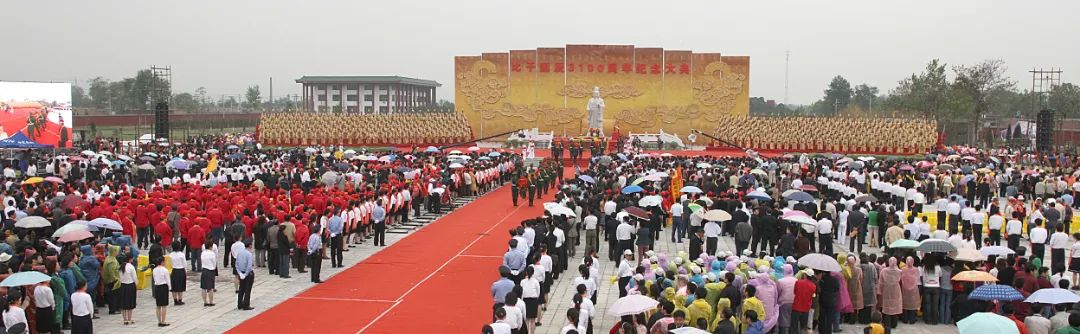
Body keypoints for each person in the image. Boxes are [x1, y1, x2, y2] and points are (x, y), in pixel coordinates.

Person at [235, 240, 256, 311]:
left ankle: (239, 304)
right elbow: (249, 266)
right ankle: (246, 305)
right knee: (247, 289)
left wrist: (240, 273)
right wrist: (245, 274)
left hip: (241, 272)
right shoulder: (249, 254)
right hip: (248, 274)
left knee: (241, 289)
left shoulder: (240, 253)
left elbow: (236, 264)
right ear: (249, 245)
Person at [152, 256, 171, 327]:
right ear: (162, 262)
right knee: (164, 305)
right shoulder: (165, 270)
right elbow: (168, 280)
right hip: (163, 287)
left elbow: (154, 278)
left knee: (158, 305)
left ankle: (159, 321)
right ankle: (163, 321)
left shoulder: (154, 270)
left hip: (157, 287)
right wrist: (170, 288)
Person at [119, 254, 138, 325]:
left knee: (123, 303)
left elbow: (120, 278)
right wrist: (136, 285)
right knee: (130, 302)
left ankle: (125, 320)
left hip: (123, 286)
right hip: (130, 286)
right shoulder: (131, 267)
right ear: (130, 259)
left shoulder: (121, 267)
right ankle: (129, 319)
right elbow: (134, 278)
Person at [200, 239, 218, 307]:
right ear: (211, 246)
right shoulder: (212, 253)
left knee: (203, 287)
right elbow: (214, 263)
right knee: (210, 287)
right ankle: (211, 301)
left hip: (204, 270)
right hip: (210, 270)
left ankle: (205, 301)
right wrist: (213, 268)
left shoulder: (203, 253)